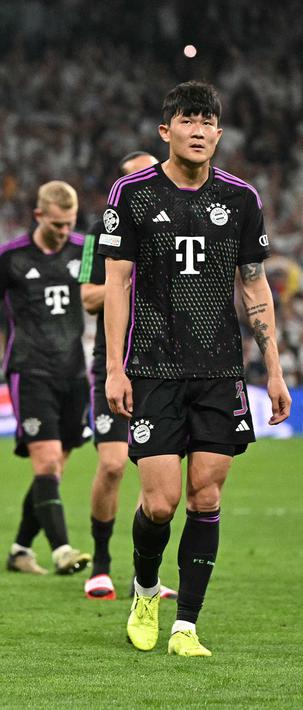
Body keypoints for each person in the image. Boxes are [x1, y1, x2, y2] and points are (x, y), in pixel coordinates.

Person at [100, 81, 290, 657]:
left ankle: (186, 625)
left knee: (205, 497)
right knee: (159, 504)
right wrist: (115, 368)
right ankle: (144, 590)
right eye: (188, 120)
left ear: (219, 133)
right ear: (167, 131)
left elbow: (255, 286)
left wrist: (275, 369)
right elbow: (116, 285)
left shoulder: (240, 198)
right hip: (153, 366)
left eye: (208, 122)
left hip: (219, 370)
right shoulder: (132, 193)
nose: (199, 130)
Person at [0, 181, 93, 577]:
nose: (64, 231)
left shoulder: (85, 251)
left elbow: (98, 296)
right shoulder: (10, 257)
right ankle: (62, 550)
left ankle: (19, 550)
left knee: (54, 470)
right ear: (38, 216)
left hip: (73, 372)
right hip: (29, 370)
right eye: (57, 224)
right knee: (46, 462)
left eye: (69, 224)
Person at [78, 151, 179, 602]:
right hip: (115, 360)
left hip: (164, 361)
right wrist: (130, 279)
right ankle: (100, 564)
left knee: (155, 476)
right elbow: (88, 297)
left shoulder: (181, 223)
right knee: (114, 464)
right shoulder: (99, 232)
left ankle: (146, 578)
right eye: (138, 176)